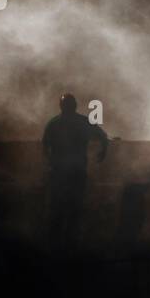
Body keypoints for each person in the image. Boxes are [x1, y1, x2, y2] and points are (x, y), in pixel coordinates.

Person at [42, 92, 109, 252]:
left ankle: (55, 245)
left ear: (61, 106)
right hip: (75, 172)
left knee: (58, 208)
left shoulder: (54, 123)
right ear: (74, 106)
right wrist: (103, 153)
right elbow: (103, 136)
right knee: (73, 208)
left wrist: (49, 161)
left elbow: (45, 144)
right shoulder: (83, 122)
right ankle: (69, 245)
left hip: (59, 172)